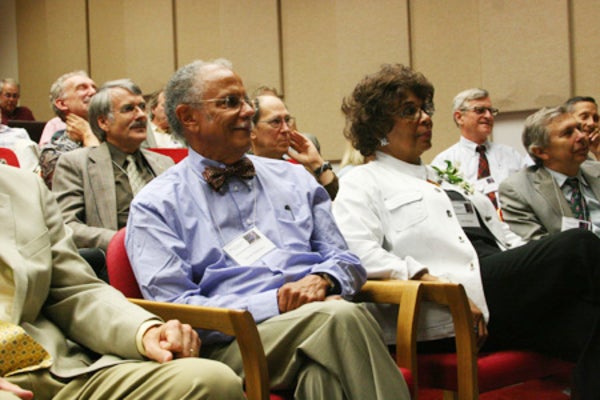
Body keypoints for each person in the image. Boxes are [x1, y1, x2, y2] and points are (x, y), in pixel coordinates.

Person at [125, 59, 410, 400]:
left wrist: (322, 279)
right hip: (234, 344)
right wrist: (275, 303)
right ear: (189, 117)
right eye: (231, 102)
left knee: (322, 378)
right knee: (340, 320)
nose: (247, 111)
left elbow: (347, 260)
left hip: (320, 322)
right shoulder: (155, 204)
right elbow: (175, 307)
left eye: (247, 102)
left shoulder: (292, 177)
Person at [332, 63, 600, 399]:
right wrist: (440, 284)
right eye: (408, 111)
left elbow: (506, 237)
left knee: (587, 319)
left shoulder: (443, 179)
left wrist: (533, 260)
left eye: (425, 108)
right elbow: (359, 255)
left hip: (499, 291)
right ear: (378, 125)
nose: (425, 118)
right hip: (448, 304)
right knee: (580, 246)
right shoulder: (362, 181)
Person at [0, 164, 245, 400]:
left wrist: (145, 331)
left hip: (58, 368)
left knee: (210, 381)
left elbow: (74, 291)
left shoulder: (23, 187)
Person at [52, 79, 174, 251]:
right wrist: (124, 240)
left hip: (170, 253)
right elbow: (66, 225)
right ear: (103, 122)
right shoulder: (75, 163)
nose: (140, 115)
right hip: (113, 259)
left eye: (141, 107)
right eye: (128, 109)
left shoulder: (164, 163)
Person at [499, 106, 600, 241]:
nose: (581, 136)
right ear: (541, 152)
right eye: (568, 133)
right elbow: (543, 250)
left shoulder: (596, 171)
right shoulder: (518, 190)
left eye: (579, 129)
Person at [431, 88, 530, 208]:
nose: (488, 116)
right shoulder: (444, 163)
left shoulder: (512, 155)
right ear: (459, 117)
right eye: (480, 110)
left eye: (491, 111)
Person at [251, 94, 339, 199]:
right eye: (276, 122)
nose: (286, 129)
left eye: (287, 120)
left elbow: (337, 202)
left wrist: (316, 162)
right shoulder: (240, 173)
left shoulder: (299, 173)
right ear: (251, 130)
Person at [39, 71, 100, 188]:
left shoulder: (115, 137)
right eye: (82, 88)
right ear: (62, 104)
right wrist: (87, 135)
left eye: (94, 87)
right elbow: (101, 183)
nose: (93, 92)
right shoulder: (53, 153)